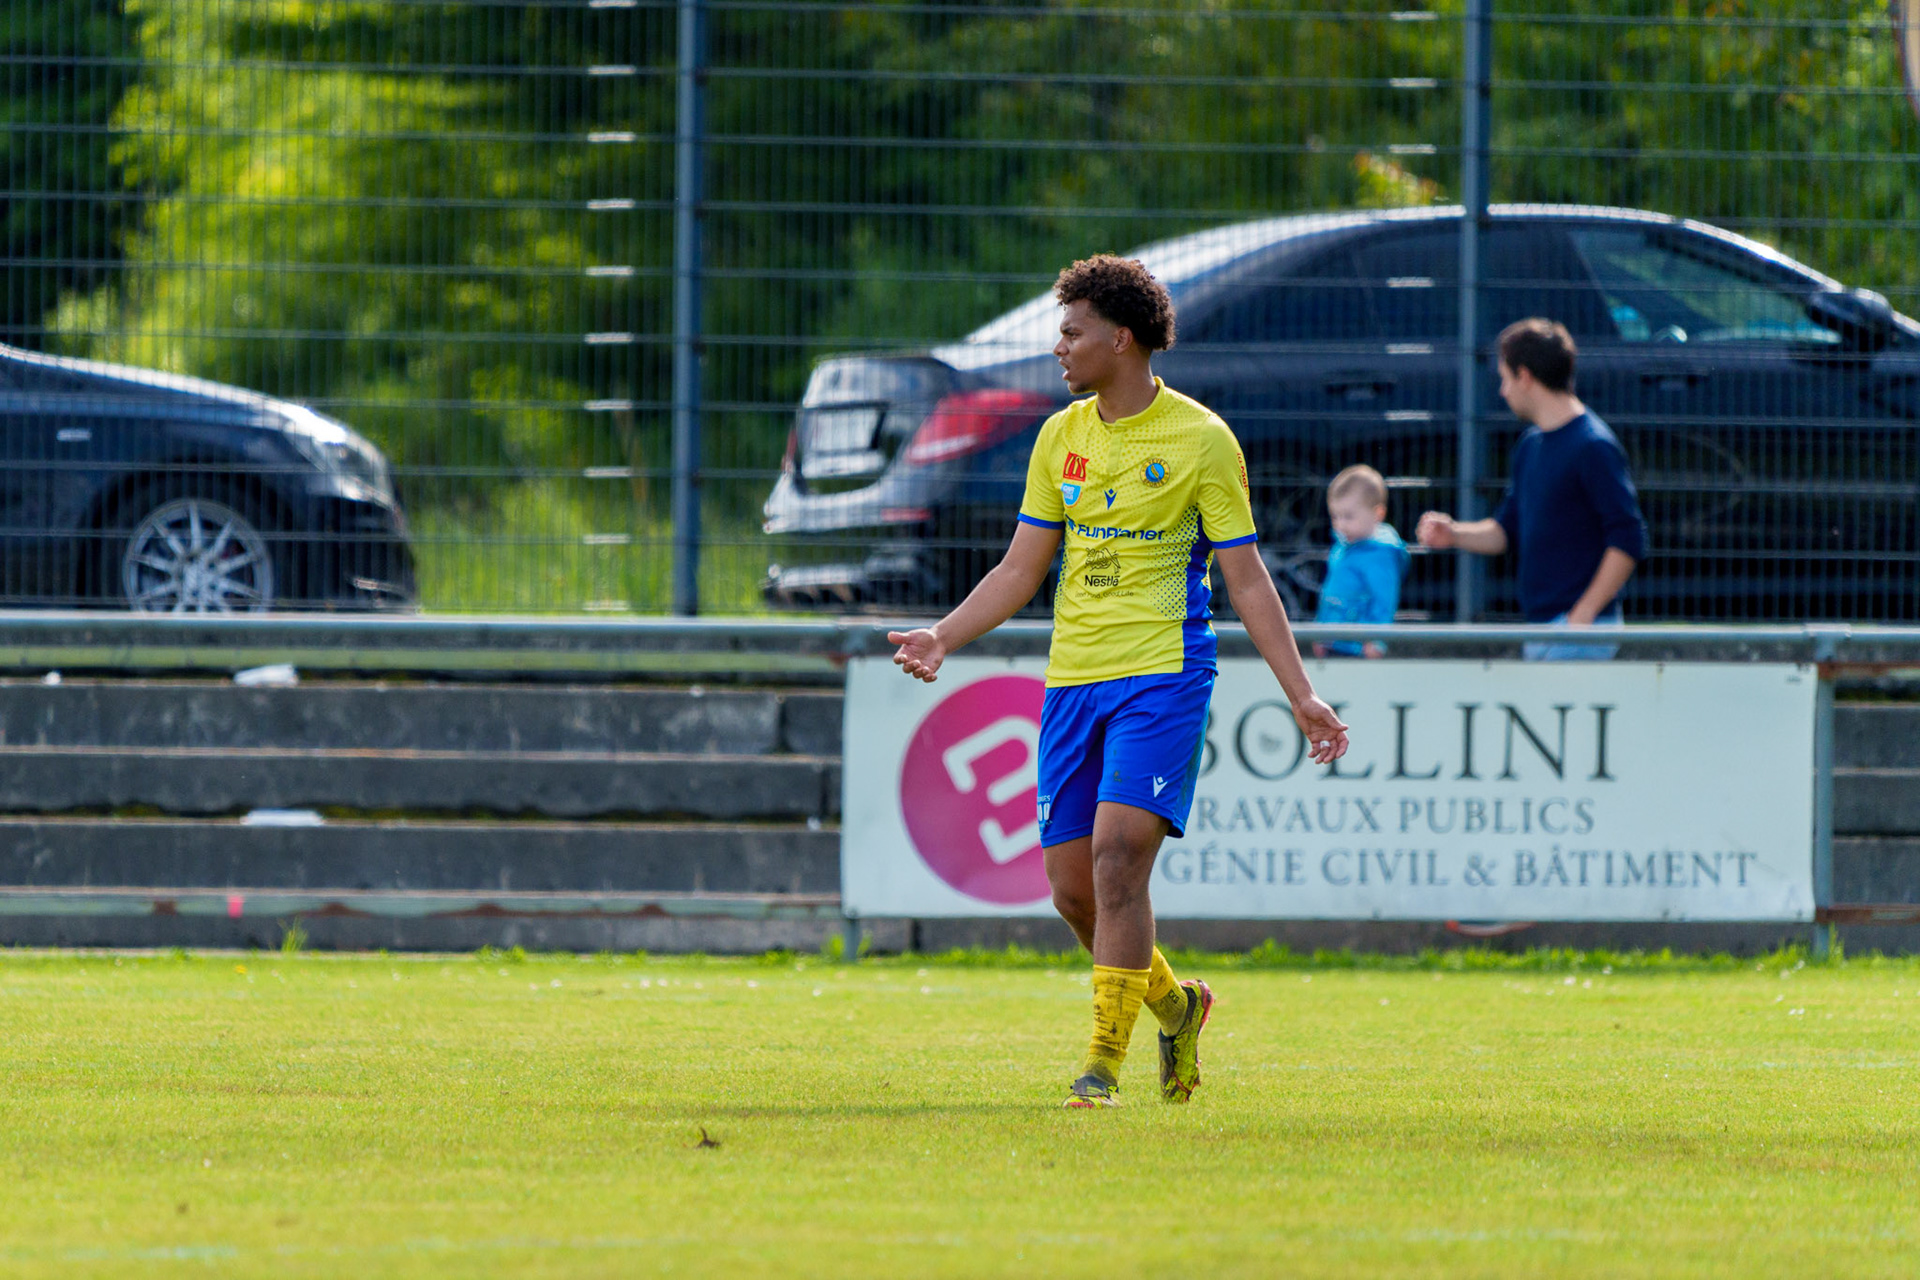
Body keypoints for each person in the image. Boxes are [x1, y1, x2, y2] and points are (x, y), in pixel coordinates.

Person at [888, 255, 1350, 1109]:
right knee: (1072, 891)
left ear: (1121, 338)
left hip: (1164, 677)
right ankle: (1178, 1007)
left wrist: (1301, 693)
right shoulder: (1060, 437)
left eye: (1070, 333)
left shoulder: (1203, 441)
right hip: (1073, 683)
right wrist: (943, 635)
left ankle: (1100, 1068)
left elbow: (1246, 578)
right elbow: (1023, 565)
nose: (1058, 349)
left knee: (1116, 861)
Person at [1416, 318, 1647, 660]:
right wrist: (1454, 534)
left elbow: (1628, 539)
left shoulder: (1593, 446)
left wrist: (1582, 617)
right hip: (1542, 629)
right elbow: (1505, 530)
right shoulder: (1531, 444)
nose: (1502, 391)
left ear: (1524, 377)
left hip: (1579, 633)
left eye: (1505, 379)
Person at [1313, 464, 1409, 659]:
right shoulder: (1342, 546)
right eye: (1335, 516)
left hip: (1358, 647)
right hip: (1333, 640)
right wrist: (1320, 631)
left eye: (1348, 517)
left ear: (1378, 514)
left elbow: (1384, 601)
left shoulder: (1381, 556)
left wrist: (1377, 640)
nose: (1340, 525)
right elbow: (1329, 593)